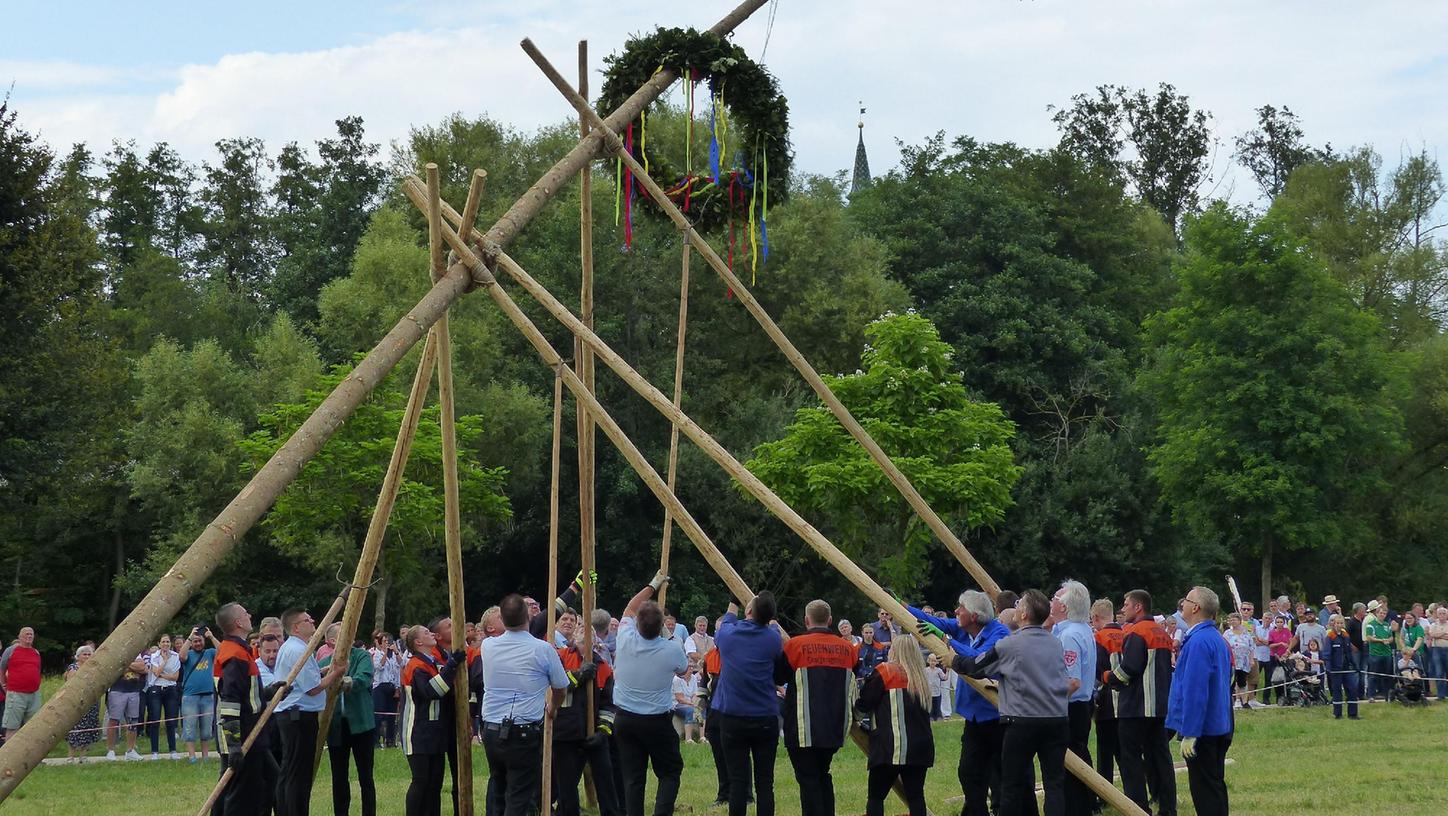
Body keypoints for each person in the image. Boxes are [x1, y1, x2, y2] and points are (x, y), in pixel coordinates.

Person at [951, 590, 1069, 816]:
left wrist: (952, 658)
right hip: (1057, 720)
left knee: (1011, 785)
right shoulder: (1055, 643)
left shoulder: (1010, 644)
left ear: (1024, 613)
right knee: (1054, 785)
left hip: (1022, 721)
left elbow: (976, 666)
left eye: (1019, 604)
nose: (1014, 607)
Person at [908, 589, 1009, 815]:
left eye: (960, 608)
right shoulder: (964, 628)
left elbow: (978, 662)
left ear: (974, 616)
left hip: (998, 715)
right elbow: (930, 620)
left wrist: (947, 641)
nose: (955, 612)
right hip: (974, 718)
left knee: (1001, 773)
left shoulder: (999, 633)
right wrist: (900, 605)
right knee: (969, 772)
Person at [478, 594, 567, 816]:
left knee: (498, 788)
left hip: (491, 729)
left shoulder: (488, 646)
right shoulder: (543, 649)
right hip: (523, 731)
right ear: (528, 616)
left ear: (502, 619)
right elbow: (560, 687)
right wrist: (553, 708)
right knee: (519, 796)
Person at [612, 574, 688, 816]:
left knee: (633, 778)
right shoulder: (671, 649)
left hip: (624, 719)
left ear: (637, 624)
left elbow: (629, 608)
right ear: (662, 627)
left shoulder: (624, 638)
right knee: (669, 772)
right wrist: (667, 633)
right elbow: (684, 669)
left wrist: (652, 585)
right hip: (656, 721)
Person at [774, 598, 857, 816]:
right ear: (830, 620)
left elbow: (778, 675)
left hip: (804, 727)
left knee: (808, 779)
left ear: (806, 620)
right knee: (822, 774)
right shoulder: (848, 648)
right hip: (834, 726)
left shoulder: (795, 645)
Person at [1103, 589, 1175, 816]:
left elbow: (1129, 668)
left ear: (1138, 607)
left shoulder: (1136, 632)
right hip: (1159, 706)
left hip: (1135, 707)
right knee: (1162, 757)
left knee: (1131, 759)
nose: (1122, 609)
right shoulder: (1161, 632)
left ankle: (1138, 808)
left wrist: (1108, 678)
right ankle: (1168, 808)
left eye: (1126, 604)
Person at [714, 591, 786, 816]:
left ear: (748, 611)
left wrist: (734, 600)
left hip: (732, 717)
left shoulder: (728, 636)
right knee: (765, 783)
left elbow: (727, 617)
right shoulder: (773, 638)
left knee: (737, 782)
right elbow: (773, 629)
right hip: (764, 717)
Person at [272, 607, 346, 816]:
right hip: (298, 717)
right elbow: (313, 688)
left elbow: (303, 678)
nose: (313, 621)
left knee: (290, 770)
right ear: (296, 627)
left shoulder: (296, 647)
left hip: (292, 715)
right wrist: (337, 672)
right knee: (298, 773)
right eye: (307, 619)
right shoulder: (298, 650)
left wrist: (324, 671)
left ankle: (286, 811)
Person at [1166, 587, 1233, 816]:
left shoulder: (1198, 642)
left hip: (1203, 729)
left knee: (1204, 790)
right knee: (1214, 784)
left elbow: (1196, 690)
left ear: (1195, 607)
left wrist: (1190, 731)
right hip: (1218, 724)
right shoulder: (1215, 638)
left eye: (1186, 600)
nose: (1182, 604)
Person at [551, 610, 622, 816]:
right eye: (581, 631)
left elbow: (609, 706)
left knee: (606, 782)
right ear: (575, 638)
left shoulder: (604, 668)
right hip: (565, 733)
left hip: (593, 736)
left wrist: (602, 732)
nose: (584, 635)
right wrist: (577, 677)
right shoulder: (561, 657)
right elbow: (553, 687)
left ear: (594, 642)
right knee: (566, 786)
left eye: (588, 633)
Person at [857, 632, 935, 816]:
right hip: (919, 746)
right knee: (916, 796)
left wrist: (856, 716)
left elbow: (865, 701)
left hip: (891, 746)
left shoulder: (886, 671)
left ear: (895, 650)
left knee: (876, 797)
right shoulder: (921, 677)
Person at [402, 624, 466, 816]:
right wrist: (452, 665)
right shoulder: (415, 665)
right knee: (421, 780)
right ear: (418, 642)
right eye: (427, 633)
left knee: (435, 782)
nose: (431, 634)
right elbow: (433, 691)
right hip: (417, 732)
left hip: (435, 733)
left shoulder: (431, 663)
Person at [215, 602, 270, 816]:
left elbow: (246, 693)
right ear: (238, 622)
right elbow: (230, 700)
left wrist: (270, 692)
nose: (249, 615)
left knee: (268, 782)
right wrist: (234, 744)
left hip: (253, 731)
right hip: (245, 733)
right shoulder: (235, 655)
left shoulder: (239, 651)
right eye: (245, 613)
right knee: (242, 798)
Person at [321, 623, 377, 816]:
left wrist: (348, 681)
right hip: (336, 726)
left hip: (362, 724)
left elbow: (365, 676)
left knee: (366, 776)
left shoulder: (361, 656)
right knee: (339, 776)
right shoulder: (324, 662)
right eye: (345, 635)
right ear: (331, 641)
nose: (351, 638)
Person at [1050, 581, 1096, 816]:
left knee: (1069, 766)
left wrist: (1046, 703)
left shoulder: (1069, 636)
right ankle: (1085, 805)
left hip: (1071, 706)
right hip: (1082, 705)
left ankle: (1077, 809)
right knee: (1079, 759)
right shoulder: (1081, 630)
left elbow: (1072, 681)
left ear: (1065, 607)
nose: (1050, 601)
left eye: (1055, 598)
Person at [1090, 598, 1123, 801]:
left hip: (1106, 700)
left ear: (1095, 618)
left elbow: (1097, 669)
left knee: (1105, 753)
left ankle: (1105, 795)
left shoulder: (1099, 638)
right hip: (1127, 701)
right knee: (1125, 752)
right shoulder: (1127, 634)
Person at [178, 626, 219, 763]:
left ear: (204, 641)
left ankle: (205, 756)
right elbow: (181, 656)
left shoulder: (210, 653)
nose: (197, 643)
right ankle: (192, 756)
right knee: (189, 727)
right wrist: (190, 637)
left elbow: (223, 651)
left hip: (208, 696)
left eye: (200, 641)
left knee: (206, 729)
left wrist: (211, 636)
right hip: (190, 696)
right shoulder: (188, 654)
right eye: (195, 641)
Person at [105, 649, 148, 761]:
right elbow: (113, 668)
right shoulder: (114, 652)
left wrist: (125, 665)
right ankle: (110, 751)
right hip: (117, 690)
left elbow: (143, 668)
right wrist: (133, 666)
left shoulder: (135, 652)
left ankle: (130, 750)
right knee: (114, 720)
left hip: (134, 690)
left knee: (133, 721)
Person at [0, 627, 42, 739]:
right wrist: (4, 684)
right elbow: (2, 668)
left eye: (31, 634)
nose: (29, 636)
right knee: (12, 726)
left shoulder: (36, 652)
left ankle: (29, 754)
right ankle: (9, 755)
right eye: (27, 634)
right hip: (16, 693)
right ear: (19, 637)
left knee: (32, 725)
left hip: (34, 694)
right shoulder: (11, 650)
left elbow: (37, 670)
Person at [144, 634, 182, 759]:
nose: (165, 644)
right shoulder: (154, 656)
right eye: (163, 642)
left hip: (171, 689)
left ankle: (173, 750)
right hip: (156, 689)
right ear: (159, 644)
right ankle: (154, 751)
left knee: (171, 720)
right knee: (155, 719)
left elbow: (175, 677)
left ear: (170, 643)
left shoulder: (176, 656)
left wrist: (162, 675)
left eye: (167, 641)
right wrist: (165, 661)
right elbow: (156, 672)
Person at [64, 645, 101, 761]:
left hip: (92, 701)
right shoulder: (73, 667)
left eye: (89, 654)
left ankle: (83, 755)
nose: (87, 656)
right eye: (84, 654)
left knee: (89, 726)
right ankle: (71, 756)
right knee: (75, 728)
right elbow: (71, 684)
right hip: (77, 701)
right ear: (78, 656)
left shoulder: (94, 667)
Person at [371, 631, 403, 748]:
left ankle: (390, 740)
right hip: (380, 686)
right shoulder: (375, 653)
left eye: (387, 641)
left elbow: (401, 664)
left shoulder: (394, 655)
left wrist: (396, 652)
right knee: (378, 714)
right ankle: (375, 741)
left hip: (392, 686)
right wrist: (384, 653)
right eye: (383, 641)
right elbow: (379, 667)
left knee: (392, 715)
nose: (386, 643)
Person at [1324, 614, 1360, 719]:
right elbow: (1327, 654)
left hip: (1346, 668)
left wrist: (1355, 665)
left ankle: (1353, 714)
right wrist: (1329, 668)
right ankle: (1338, 714)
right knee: (1337, 691)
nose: (1339, 625)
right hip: (1335, 669)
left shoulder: (1346, 635)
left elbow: (1349, 652)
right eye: (1337, 623)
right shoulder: (1330, 637)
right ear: (1333, 624)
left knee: (1352, 689)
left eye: (1341, 623)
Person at [1363, 600, 1394, 700]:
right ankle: (1371, 695)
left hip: (1386, 653)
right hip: (1375, 653)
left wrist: (1388, 640)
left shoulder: (1386, 625)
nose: (1382, 615)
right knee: (1373, 675)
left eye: (1384, 613)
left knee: (1386, 675)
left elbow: (1391, 637)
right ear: (1377, 613)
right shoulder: (1371, 624)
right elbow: (1369, 637)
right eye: (1380, 613)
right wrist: (1381, 640)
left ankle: (1387, 695)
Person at [1223, 614, 1255, 710]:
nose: (1233, 621)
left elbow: (1251, 647)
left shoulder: (1246, 634)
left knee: (1242, 681)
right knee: (1231, 681)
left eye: (1235, 620)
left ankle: (1245, 702)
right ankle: (1230, 701)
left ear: (1239, 621)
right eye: (1231, 620)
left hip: (1243, 662)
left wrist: (1251, 659)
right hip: (1231, 661)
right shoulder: (1227, 634)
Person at [672, 660, 701, 742]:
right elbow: (680, 698)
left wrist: (695, 703)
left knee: (702, 709)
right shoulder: (676, 679)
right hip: (677, 704)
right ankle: (688, 739)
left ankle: (702, 737)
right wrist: (692, 704)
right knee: (690, 711)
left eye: (692, 667)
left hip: (689, 703)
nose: (691, 669)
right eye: (689, 667)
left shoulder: (694, 678)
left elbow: (695, 694)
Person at [1427, 606, 1448, 701]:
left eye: (1444, 613)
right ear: (1437, 615)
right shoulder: (1433, 624)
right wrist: (1443, 634)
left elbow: (1436, 635)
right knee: (1439, 672)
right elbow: (1432, 634)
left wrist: (1438, 635)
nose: (1442, 615)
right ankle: (1441, 695)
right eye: (1440, 613)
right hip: (1437, 650)